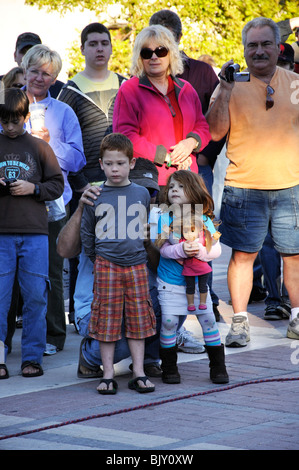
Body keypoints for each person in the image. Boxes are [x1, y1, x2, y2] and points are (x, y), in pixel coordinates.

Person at [206, 17, 299, 346]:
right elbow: (214, 133)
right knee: (243, 256)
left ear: (277, 47)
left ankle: (297, 319)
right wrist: (225, 90)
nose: (258, 51)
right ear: (244, 50)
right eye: (252, 45)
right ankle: (240, 323)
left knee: (294, 256)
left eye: (265, 44)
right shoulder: (230, 85)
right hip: (244, 186)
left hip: (291, 185)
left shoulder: (295, 82)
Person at [149, 9, 225, 321]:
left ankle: (209, 304)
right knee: (166, 236)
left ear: (178, 39)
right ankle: (170, 313)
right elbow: (129, 133)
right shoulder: (139, 83)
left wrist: (201, 150)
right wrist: (160, 156)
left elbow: (214, 119)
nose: (160, 48)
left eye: (167, 40)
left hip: (195, 171)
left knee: (200, 232)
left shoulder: (202, 73)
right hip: (157, 174)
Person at [56, 158, 162, 380]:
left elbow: (165, 268)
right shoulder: (99, 205)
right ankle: (90, 356)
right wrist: (81, 209)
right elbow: (64, 250)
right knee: (119, 340)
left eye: (151, 193)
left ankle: (148, 361)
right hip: (96, 307)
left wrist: (148, 241)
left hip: (136, 300)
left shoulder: (154, 215)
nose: (147, 198)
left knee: (171, 306)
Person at [58, 22, 127, 324]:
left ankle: (116, 308)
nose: (99, 48)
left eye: (104, 43)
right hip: (86, 184)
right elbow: (63, 143)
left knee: (118, 247)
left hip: (121, 185)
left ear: (111, 47)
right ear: (83, 48)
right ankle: (80, 313)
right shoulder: (69, 91)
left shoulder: (126, 85)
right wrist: (80, 185)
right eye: (93, 43)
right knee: (84, 248)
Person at [21, 44, 86, 355]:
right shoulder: (8, 108)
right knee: (9, 271)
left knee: (51, 271)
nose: (38, 78)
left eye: (46, 74)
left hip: (53, 203)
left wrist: (49, 146)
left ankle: (53, 335)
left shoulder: (63, 112)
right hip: (11, 203)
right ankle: (7, 337)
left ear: (55, 78)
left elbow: (78, 160)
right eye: (34, 71)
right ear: (24, 70)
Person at [80, 133, 156, 394]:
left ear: (132, 164)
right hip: (106, 265)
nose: (115, 169)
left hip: (136, 265)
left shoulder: (142, 193)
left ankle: (138, 371)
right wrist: (98, 258)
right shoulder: (95, 194)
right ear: (101, 164)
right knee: (107, 320)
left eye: (121, 163)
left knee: (138, 319)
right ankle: (108, 373)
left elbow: (145, 232)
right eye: (109, 163)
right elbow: (87, 233)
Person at [0, 88, 64, 379]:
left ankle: (32, 357)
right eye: (4, 122)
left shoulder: (39, 148)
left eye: (16, 121)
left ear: (26, 117)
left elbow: (57, 185)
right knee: (0, 298)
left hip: (35, 233)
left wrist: (33, 188)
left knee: (36, 296)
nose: (10, 127)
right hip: (2, 234)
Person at [113, 24, 211, 187]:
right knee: (156, 214)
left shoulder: (186, 89)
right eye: (146, 53)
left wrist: (191, 143)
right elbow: (125, 138)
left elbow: (202, 127)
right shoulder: (129, 90)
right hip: (150, 184)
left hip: (188, 181)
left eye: (161, 51)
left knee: (189, 214)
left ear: (171, 53)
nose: (154, 57)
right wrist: (167, 157)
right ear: (139, 57)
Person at [155, 170, 228, 385]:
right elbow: (162, 249)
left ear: (194, 191)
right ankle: (169, 367)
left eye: (180, 186)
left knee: (208, 320)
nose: (174, 190)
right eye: (171, 187)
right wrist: (180, 250)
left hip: (199, 285)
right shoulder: (163, 218)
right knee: (169, 323)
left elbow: (217, 250)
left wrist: (201, 252)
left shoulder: (204, 219)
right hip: (170, 282)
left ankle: (218, 367)